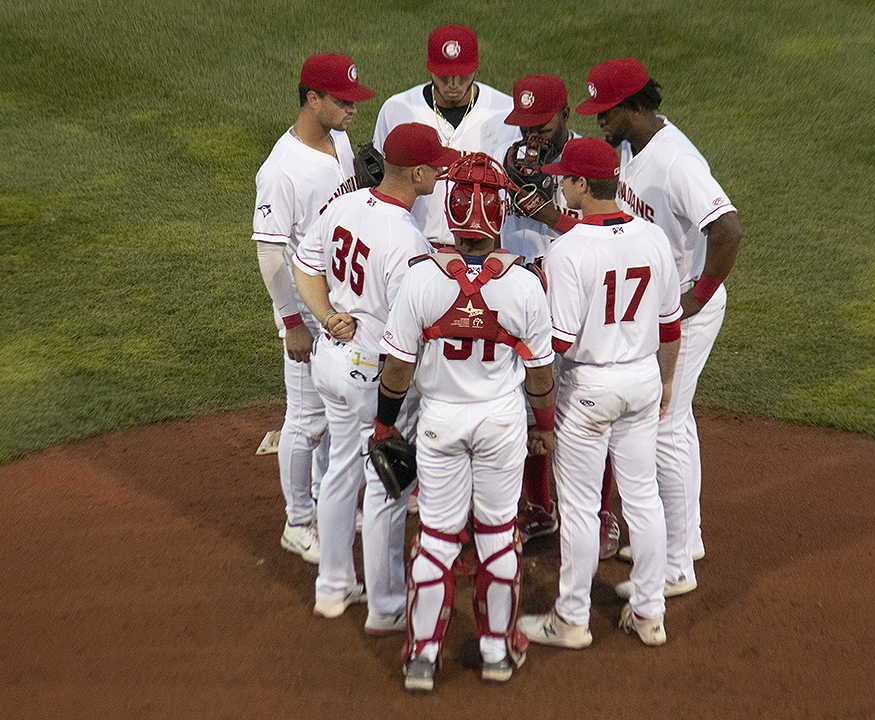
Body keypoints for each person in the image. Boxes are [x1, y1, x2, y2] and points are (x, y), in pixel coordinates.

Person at [374, 152, 555, 692]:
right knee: (500, 537)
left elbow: (398, 368)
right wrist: (542, 424)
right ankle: (497, 650)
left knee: (436, 537)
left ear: (451, 215)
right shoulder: (524, 284)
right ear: (499, 212)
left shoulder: (421, 280)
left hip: (439, 424)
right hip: (501, 425)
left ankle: (422, 658)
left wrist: (384, 426)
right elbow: (541, 376)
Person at [574, 58, 742, 597]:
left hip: (684, 310)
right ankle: (684, 537)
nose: (600, 120)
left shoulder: (676, 163)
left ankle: (675, 567)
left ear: (638, 106)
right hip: (659, 305)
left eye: (608, 110)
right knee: (677, 418)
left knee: (666, 422)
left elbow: (728, 229)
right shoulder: (633, 147)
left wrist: (699, 294)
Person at [291, 123, 460, 633]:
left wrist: (324, 315)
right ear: (415, 172)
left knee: (341, 470)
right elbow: (408, 332)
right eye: (435, 166)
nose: (441, 173)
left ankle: (333, 586)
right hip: (372, 376)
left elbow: (305, 266)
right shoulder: (405, 239)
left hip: (331, 362)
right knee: (386, 484)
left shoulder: (346, 204)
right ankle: (386, 606)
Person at [518, 137, 682, 649]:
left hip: (590, 388)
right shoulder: (654, 237)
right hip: (643, 380)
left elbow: (558, 344)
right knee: (643, 498)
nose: (559, 183)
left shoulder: (568, 250)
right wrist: (668, 381)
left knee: (582, 508)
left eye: (565, 177)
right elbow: (671, 325)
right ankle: (650, 613)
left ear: (584, 185)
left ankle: (571, 620)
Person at [252, 53, 375, 564]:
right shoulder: (281, 170)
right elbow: (269, 253)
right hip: (307, 311)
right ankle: (297, 520)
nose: (352, 109)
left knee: (337, 410)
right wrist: (289, 323)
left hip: (342, 303)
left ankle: (328, 498)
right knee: (304, 420)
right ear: (313, 99)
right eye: (343, 101)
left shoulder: (341, 141)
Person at [499, 74, 620, 558]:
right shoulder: (512, 160)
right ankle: (538, 507)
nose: (533, 135)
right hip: (527, 298)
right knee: (533, 405)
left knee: (589, 410)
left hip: (581, 299)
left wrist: (550, 215)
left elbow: (609, 228)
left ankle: (602, 513)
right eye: (525, 124)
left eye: (542, 123)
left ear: (566, 113)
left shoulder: (592, 163)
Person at [372, 24, 520, 249]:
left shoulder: (505, 112)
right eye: (444, 76)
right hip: (410, 243)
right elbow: (383, 179)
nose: (454, 84)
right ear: (429, 66)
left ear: (477, 66)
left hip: (480, 252)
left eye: (462, 75)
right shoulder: (397, 108)